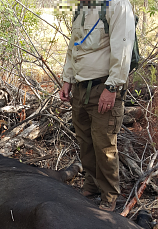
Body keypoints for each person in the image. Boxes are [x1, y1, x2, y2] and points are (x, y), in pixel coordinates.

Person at [59, 0, 135, 211]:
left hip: (104, 87)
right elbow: (73, 47)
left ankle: (110, 194)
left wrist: (112, 88)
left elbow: (123, 49)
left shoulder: (118, 5)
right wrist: (67, 79)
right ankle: (92, 184)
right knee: (85, 140)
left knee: (104, 145)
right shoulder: (83, 8)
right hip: (80, 88)